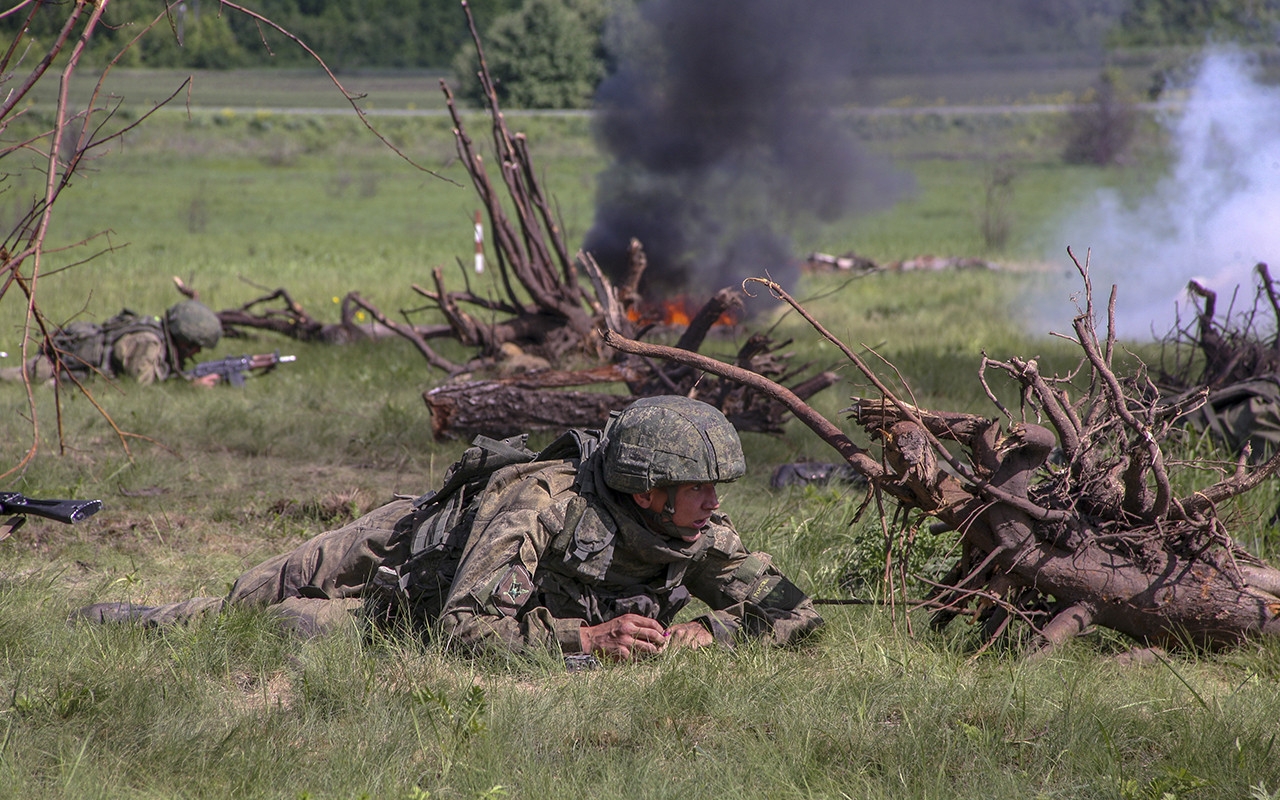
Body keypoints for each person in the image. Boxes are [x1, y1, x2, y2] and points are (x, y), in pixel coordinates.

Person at [75, 396, 824, 663]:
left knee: (288, 628)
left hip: (404, 621)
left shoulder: (694, 533)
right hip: (403, 547)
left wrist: (712, 634)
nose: (712, 503)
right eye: (697, 488)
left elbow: (798, 615)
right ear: (647, 490)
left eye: (716, 488)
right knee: (247, 598)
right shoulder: (544, 500)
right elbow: (471, 629)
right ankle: (140, 621)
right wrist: (584, 641)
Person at [0, 300, 223, 387]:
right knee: (17, 378)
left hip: (71, 375)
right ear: (184, 339)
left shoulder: (157, 335)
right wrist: (189, 387)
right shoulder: (150, 341)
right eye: (196, 345)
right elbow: (140, 383)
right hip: (56, 370)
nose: (197, 351)